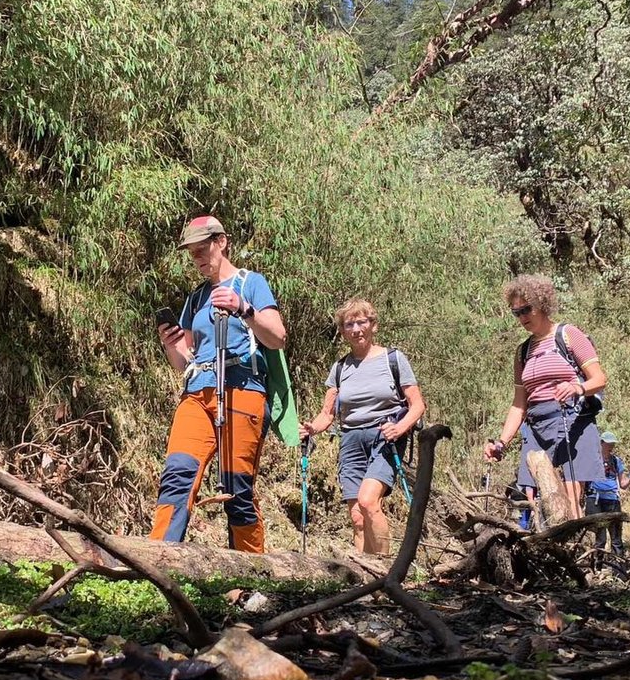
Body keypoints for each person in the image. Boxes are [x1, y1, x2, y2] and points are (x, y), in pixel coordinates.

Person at [150, 215, 287, 553]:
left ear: (221, 242)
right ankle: (158, 560)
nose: (198, 259)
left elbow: (277, 337)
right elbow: (184, 360)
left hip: (244, 390)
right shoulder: (195, 299)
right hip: (198, 392)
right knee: (178, 474)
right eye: (192, 253)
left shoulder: (251, 282)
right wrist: (171, 343)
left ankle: (250, 574)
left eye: (203, 249)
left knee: (236, 488)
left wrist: (245, 309)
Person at [299, 298, 425, 557]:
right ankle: (364, 578)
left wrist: (400, 428)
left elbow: (417, 405)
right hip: (351, 440)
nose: (356, 329)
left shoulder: (393, 359)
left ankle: (385, 571)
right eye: (349, 324)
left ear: (373, 325)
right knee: (357, 517)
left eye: (361, 322)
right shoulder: (340, 368)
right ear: (342, 331)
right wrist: (311, 428)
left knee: (369, 502)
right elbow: (327, 414)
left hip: (385, 437)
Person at [483, 274, 608, 521]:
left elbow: (599, 379)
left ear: (542, 304)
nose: (522, 317)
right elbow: (519, 404)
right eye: (515, 313)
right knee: (536, 498)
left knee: (572, 495)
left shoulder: (569, 335)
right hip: (536, 426)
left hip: (574, 420)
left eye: (526, 309)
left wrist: (576, 388)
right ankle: (545, 550)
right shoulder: (523, 352)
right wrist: (501, 443)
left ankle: (575, 549)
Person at [586, 430, 630, 559]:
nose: (611, 446)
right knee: (601, 538)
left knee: (616, 538)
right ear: (601, 443)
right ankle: (596, 569)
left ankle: (619, 571)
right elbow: (583, 481)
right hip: (596, 499)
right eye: (608, 443)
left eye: (613, 444)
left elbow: (623, 484)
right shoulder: (592, 460)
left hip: (613, 499)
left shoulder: (616, 461)